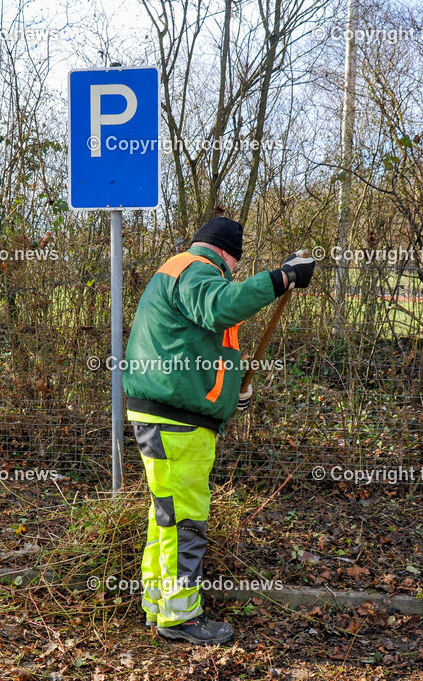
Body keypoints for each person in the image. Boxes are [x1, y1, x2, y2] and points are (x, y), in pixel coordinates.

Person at [123, 212, 314, 646]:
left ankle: (160, 607)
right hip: (177, 423)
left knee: (166, 518)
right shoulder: (197, 272)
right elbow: (220, 307)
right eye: (237, 268)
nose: (233, 275)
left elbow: (199, 347)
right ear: (229, 256)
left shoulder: (180, 270)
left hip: (166, 415)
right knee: (186, 520)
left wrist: (233, 394)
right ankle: (182, 617)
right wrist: (281, 279)